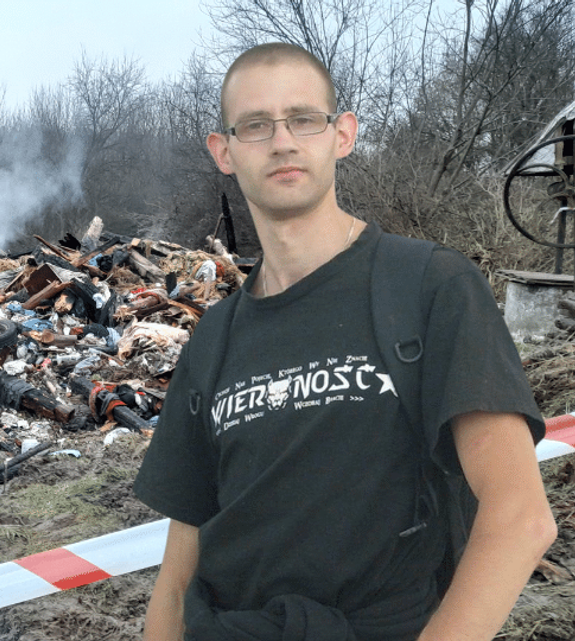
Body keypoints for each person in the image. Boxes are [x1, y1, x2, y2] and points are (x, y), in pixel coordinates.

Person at [133, 42, 557, 641]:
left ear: (343, 134)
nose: (283, 141)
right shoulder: (214, 339)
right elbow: (178, 578)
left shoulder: (430, 287)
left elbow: (520, 519)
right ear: (223, 152)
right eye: (255, 126)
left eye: (304, 118)